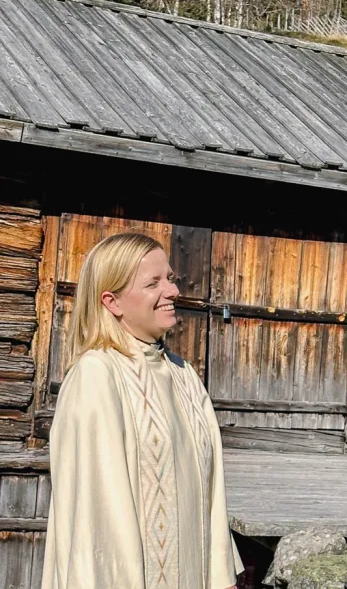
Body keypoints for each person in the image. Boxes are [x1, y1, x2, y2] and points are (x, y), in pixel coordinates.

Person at [42, 233, 243, 589]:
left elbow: (212, 493)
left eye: (170, 278)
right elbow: (94, 522)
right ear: (112, 301)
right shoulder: (97, 376)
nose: (173, 291)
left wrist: (221, 578)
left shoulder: (183, 375)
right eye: (153, 283)